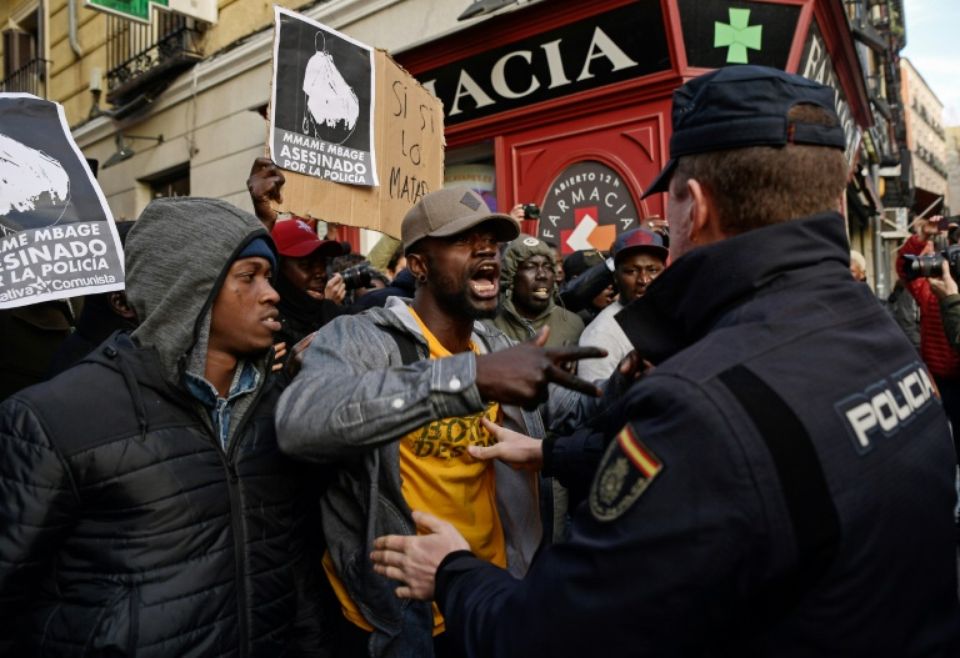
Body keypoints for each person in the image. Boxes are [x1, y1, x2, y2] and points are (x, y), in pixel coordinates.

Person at [370, 65, 960, 657]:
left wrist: (452, 572)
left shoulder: (699, 400)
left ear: (694, 207)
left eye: (668, 204)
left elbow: (551, 636)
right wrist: (551, 450)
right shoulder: (877, 327)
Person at [274, 186, 604, 657]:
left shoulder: (495, 346)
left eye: (491, 238)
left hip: (486, 597)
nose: (487, 247)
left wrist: (628, 390)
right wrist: (466, 378)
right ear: (420, 265)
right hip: (399, 619)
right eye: (463, 240)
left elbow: (567, 417)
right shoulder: (364, 339)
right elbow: (301, 423)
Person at [0, 197, 330, 655]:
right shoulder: (54, 417)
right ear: (188, 287)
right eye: (248, 276)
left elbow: (294, 572)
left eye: (269, 276)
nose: (271, 293)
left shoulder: (278, 411)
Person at [897, 215, 960, 454]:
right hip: (937, 380)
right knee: (935, 446)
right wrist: (923, 236)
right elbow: (906, 268)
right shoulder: (933, 287)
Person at [577, 227, 667, 382]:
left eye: (652, 270)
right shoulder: (601, 334)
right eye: (631, 271)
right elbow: (594, 403)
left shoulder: (677, 315)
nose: (643, 280)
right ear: (616, 277)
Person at [487, 234, 584, 347]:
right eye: (530, 267)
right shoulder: (487, 327)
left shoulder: (573, 325)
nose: (542, 275)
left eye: (547, 267)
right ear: (511, 276)